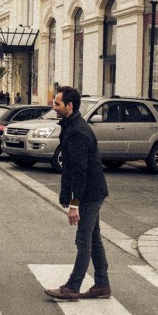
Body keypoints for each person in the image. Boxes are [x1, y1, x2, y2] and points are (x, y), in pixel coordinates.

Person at [44, 85, 111, 301]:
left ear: (69, 106)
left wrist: (74, 203)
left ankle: (73, 287)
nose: (53, 107)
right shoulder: (71, 126)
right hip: (91, 191)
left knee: (83, 241)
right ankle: (102, 284)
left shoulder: (78, 132)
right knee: (94, 239)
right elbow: (70, 169)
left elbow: (80, 172)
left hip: (90, 193)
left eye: (57, 103)